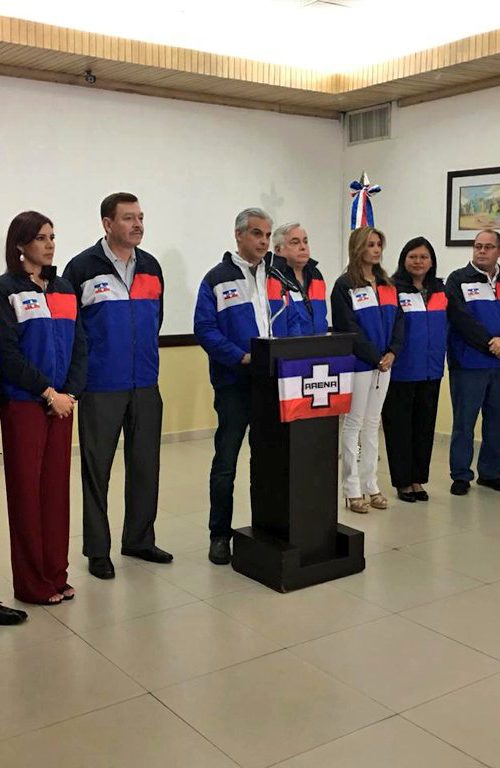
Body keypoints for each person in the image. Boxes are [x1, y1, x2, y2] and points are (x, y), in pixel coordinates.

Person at [63, 193, 172, 579]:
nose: (138, 224)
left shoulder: (151, 266)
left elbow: (156, 320)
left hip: (145, 382)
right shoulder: (81, 268)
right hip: (100, 385)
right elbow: (72, 330)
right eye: (128, 218)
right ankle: (97, 550)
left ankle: (139, 539)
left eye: (140, 217)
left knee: (145, 466)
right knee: (97, 471)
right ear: (107, 224)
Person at [194, 208, 300, 565]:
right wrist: (239, 357)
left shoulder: (278, 275)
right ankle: (219, 535)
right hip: (235, 384)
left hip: (274, 383)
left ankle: (266, 528)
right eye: (257, 233)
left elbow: (292, 319)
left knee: (269, 460)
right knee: (226, 462)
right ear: (239, 235)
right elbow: (205, 329)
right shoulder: (217, 279)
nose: (264, 241)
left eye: (268, 235)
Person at [0, 211, 87, 604]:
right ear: (21, 245)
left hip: (62, 405)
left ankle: (56, 574)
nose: (50, 244)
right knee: (26, 495)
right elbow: (7, 354)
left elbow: (80, 345)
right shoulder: (6, 290)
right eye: (41, 237)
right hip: (24, 403)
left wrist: (69, 393)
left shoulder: (64, 288)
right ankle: (32, 583)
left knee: (55, 493)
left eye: (52, 236)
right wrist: (47, 393)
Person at [331, 226, 403, 513]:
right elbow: (347, 327)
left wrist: (392, 352)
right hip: (360, 364)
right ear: (357, 247)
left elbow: (399, 321)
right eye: (370, 244)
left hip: (385, 364)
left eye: (379, 245)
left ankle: (371, 484)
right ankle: (352, 489)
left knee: (373, 424)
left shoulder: (387, 284)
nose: (376, 250)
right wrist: (375, 357)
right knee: (354, 424)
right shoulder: (344, 285)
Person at [381, 237, 447, 502]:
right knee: (399, 428)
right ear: (403, 260)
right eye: (413, 257)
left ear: (431, 262)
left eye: (423, 257)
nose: (418, 262)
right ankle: (402, 482)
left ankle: (418, 479)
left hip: (431, 370)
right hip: (402, 370)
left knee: (424, 428)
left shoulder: (440, 289)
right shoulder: (391, 289)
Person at [446, 228, 500, 495]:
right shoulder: (458, 279)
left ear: (498, 251)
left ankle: (490, 472)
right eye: (478, 246)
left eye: (488, 247)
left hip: (498, 364)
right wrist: (492, 342)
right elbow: (461, 319)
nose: (482, 251)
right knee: (464, 423)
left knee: (496, 421)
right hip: (469, 364)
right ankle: (461, 475)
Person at [272, 222, 328, 335]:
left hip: (320, 343)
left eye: (305, 241)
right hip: (289, 344)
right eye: (295, 242)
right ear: (278, 250)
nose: (303, 247)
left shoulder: (316, 275)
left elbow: (321, 316)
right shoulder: (274, 277)